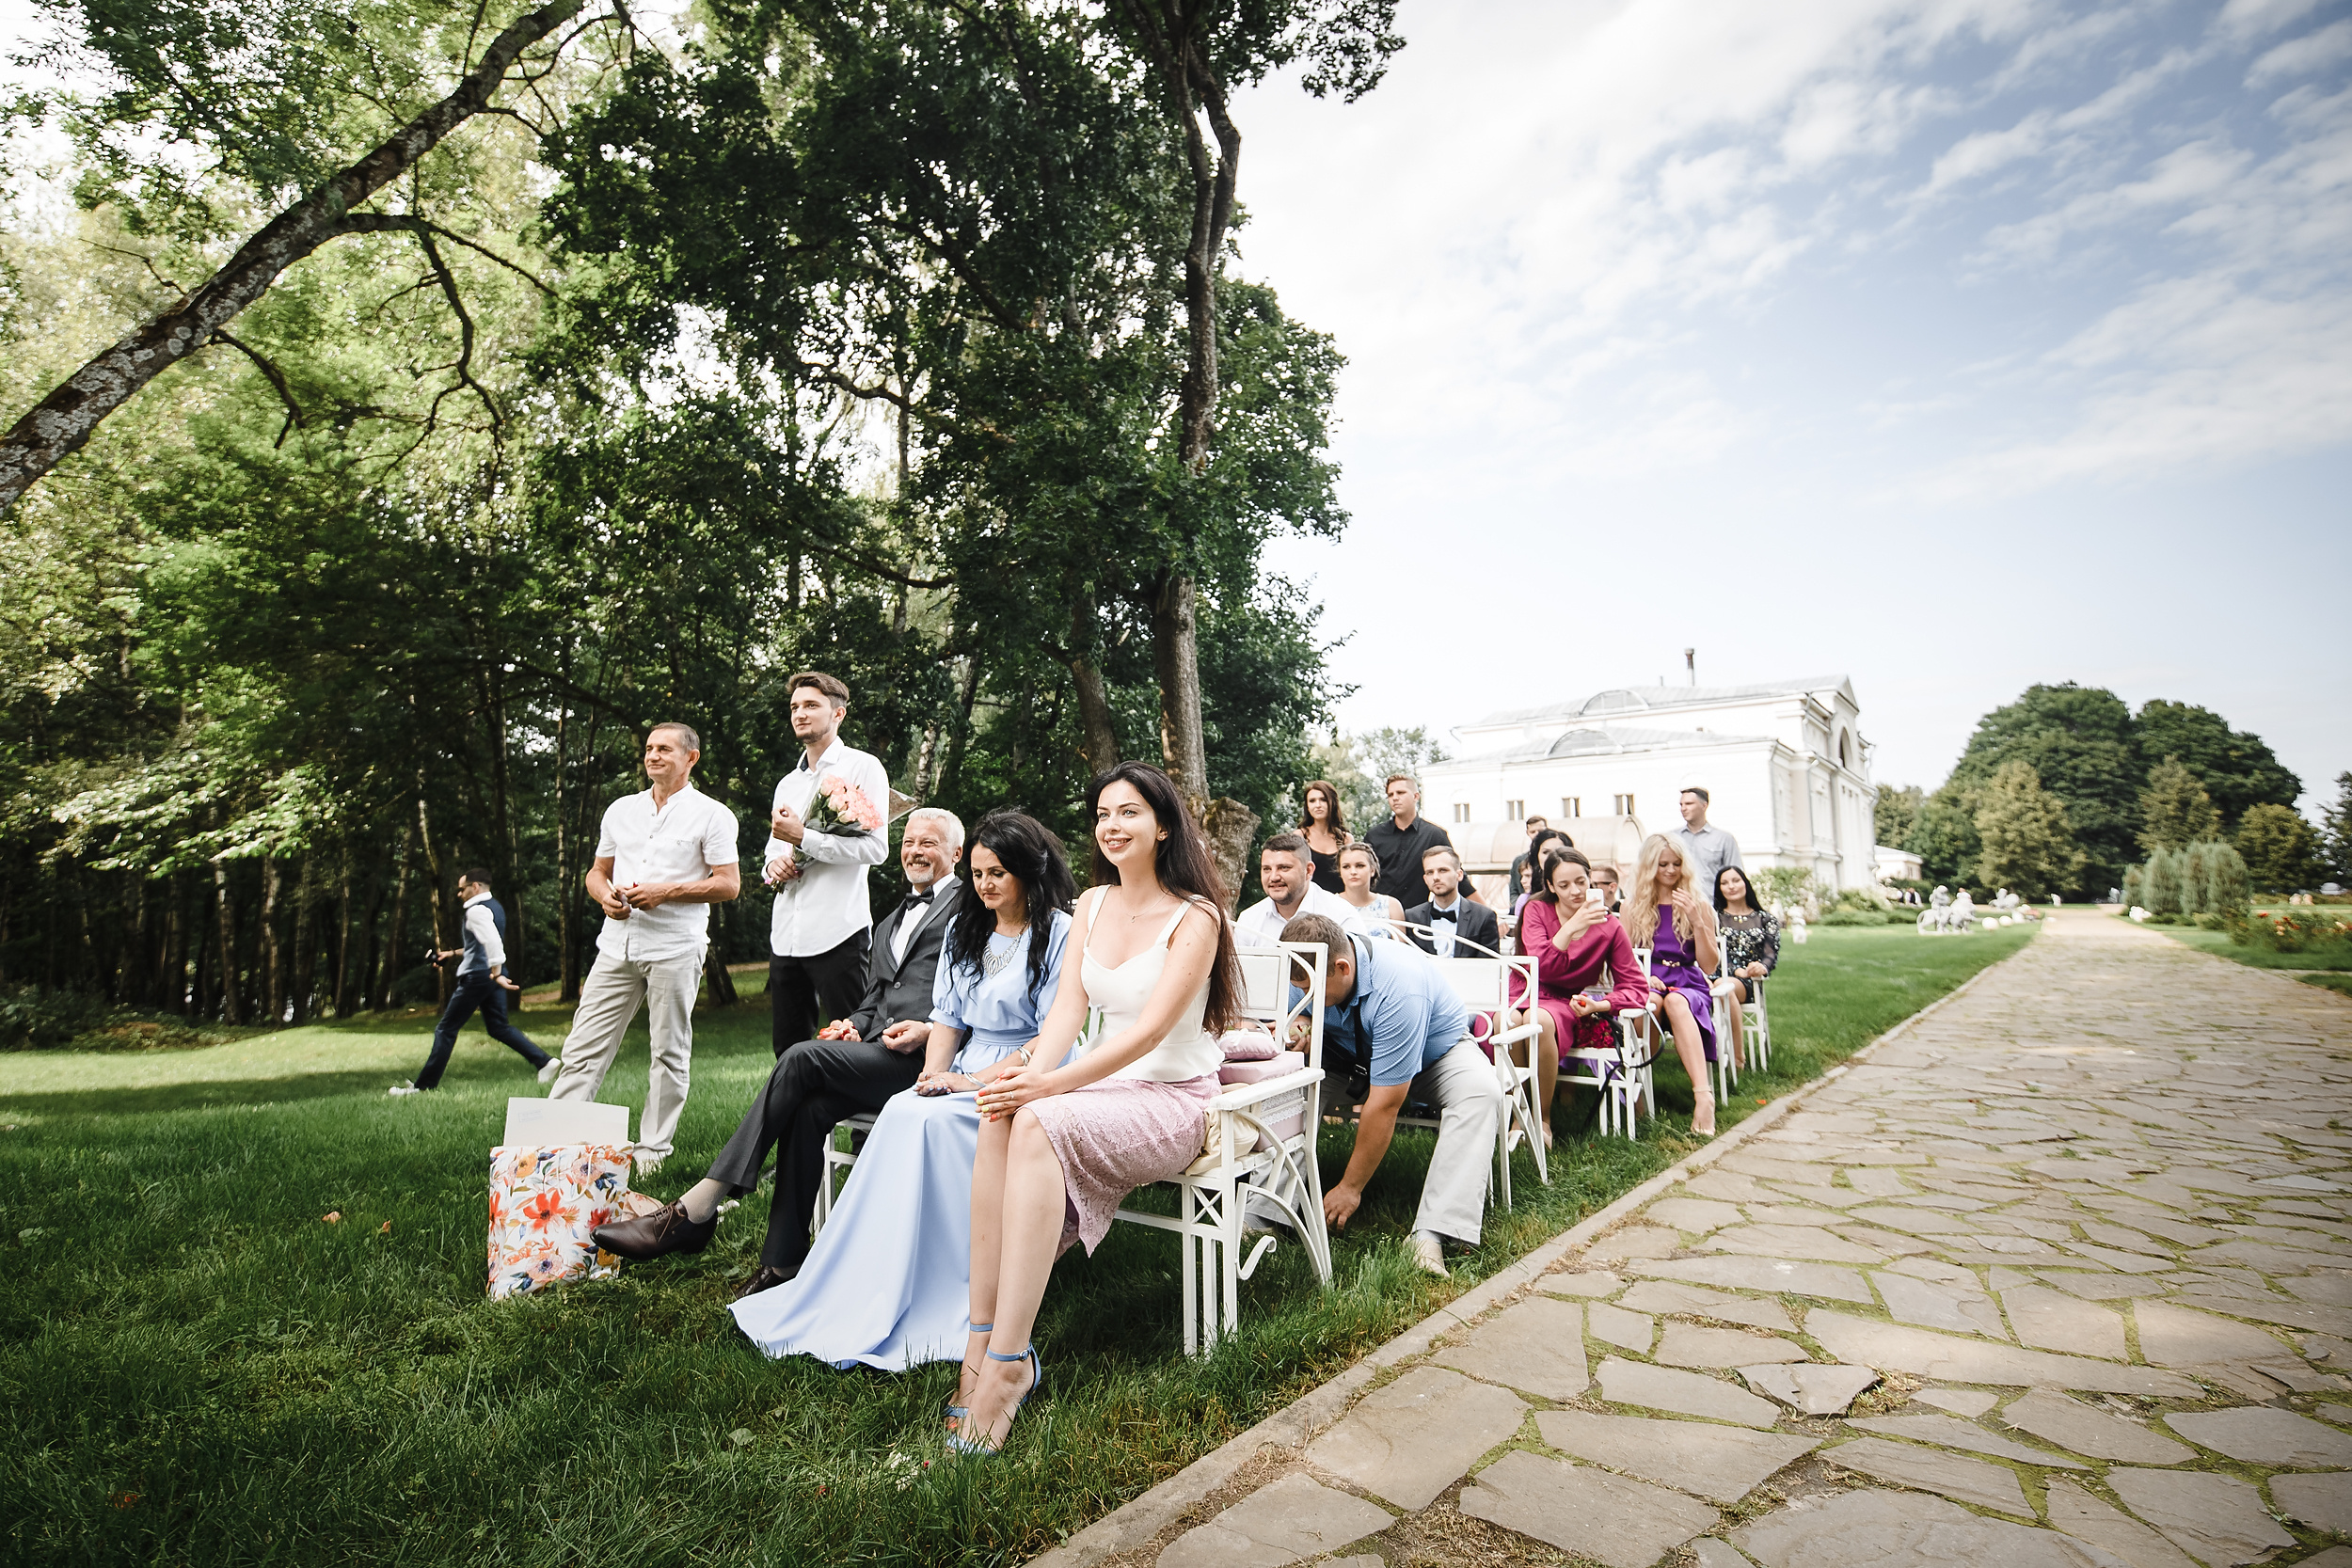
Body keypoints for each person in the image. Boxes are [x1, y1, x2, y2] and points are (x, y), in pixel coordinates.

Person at [951, 762, 1240, 1455]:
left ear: (1163, 823)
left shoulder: (1197, 916)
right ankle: (980, 1337)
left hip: (1173, 1099)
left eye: (1129, 812)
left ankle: (1010, 1366)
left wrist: (1047, 1089)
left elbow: (1145, 1034)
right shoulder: (1091, 903)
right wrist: (1028, 1074)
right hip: (1102, 1088)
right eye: (1104, 813)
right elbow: (1063, 1016)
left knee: (1040, 1117)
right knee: (1000, 1110)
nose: (1112, 825)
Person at [728, 812, 1076, 1373]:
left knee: (936, 1124)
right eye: (981, 874)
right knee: (905, 1110)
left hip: (1031, 1069)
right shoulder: (969, 929)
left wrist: (972, 1081)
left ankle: (950, 1282)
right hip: (963, 1061)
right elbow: (947, 1018)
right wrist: (930, 1077)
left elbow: (1052, 1033)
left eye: (998, 874)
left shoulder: (1059, 933)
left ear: (1028, 873)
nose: (985, 885)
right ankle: (872, 1276)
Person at [593, 808, 966, 1283]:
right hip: (876, 1054)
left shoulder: (971, 910)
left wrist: (930, 1030)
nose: (915, 851)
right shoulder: (891, 918)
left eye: (928, 843)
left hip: (932, 1063)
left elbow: (979, 999)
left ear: (955, 853)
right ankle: (782, 1261)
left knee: (799, 1056)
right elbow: (874, 999)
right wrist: (851, 1024)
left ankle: (698, 1206)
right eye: (909, 842)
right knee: (809, 1106)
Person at [547, 723, 741, 1174]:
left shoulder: (713, 815)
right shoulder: (621, 810)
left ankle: (653, 1150)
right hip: (616, 945)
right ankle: (555, 1142)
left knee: (668, 1051)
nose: (654, 756)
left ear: (690, 758)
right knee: (582, 1046)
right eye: (650, 749)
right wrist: (603, 896)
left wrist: (665, 892)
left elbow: (728, 885)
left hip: (675, 947)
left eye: (665, 749)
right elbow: (597, 871)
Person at [1279, 911, 1501, 1278]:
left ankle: (1431, 1234)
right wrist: (1300, 1023)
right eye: (1299, 989)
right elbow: (1290, 1016)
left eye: (1310, 990)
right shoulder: (1307, 966)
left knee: (1482, 1093)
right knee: (1287, 1093)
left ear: (1342, 967)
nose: (1304, 995)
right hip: (1344, 1055)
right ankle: (1264, 1214)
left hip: (1435, 1056)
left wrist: (1351, 1187)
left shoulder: (1400, 986)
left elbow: (1384, 1106)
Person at [763, 671, 893, 1056]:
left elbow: (876, 850)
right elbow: (773, 850)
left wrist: (805, 838)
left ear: (838, 714)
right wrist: (773, 867)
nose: (800, 714)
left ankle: (864, 1120)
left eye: (811, 706)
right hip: (786, 934)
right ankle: (799, 1119)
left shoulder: (863, 767)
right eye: (794, 707)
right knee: (787, 1048)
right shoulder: (787, 783)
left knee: (854, 1043)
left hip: (839, 932)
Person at [1510, 847, 1647, 1144]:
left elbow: (1636, 987)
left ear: (1590, 880)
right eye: (1564, 885)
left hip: (1561, 1000)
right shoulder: (1536, 909)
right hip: (1523, 990)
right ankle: (1514, 1118)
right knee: (1505, 1021)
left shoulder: (1609, 926)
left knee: (1539, 1020)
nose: (1575, 891)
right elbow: (1540, 965)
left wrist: (1602, 1004)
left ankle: (1541, 1119)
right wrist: (1574, 924)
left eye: (1581, 882)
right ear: (1549, 886)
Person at [389, 868, 553, 1096]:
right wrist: (453, 954)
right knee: (498, 1027)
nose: (459, 894)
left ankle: (423, 1088)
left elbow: (494, 943)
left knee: (445, 1029)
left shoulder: (476, 910)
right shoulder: (495, 907)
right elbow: (481, 944)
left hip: (479, 976)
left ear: (474, 887)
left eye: (461, 889)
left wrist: (495, 972)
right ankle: (544, 1061)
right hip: (489, 974)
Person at [1625, 833, 1721, 1138]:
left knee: (1677, 1002)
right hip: (1648, 980)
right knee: (1649, 1005)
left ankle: (1703, 1097)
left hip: (1687, 981)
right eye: (1662, 864)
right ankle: (1638, 1090)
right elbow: (1623, 959)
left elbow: (1710, 966)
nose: (1670, 870)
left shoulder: (1697, 904)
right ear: (1649, 866)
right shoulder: (1632, 907)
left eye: (1676, 864)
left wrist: (1697, 920)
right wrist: (1643, 976)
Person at [1236, 831, 1355, 946]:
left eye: (1284, 868)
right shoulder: (1248, 921)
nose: (1273, 877)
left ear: (1308, 870)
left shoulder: (1342, 916)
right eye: (1267, 869)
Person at [1714, 863, 1780, 1066]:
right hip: (1715, 975)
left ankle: (1737, 1057)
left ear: (1745, 884)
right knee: (1720, 985)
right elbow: (1712, 954)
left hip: (1749, 983)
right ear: (1719, 889)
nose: (1731, 886)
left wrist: (1762, 967)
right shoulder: (1714, 919)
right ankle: (1732, 1056)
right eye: (1725, 883)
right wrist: (1735, 970)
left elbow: (1771, 953)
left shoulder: (1765, 919)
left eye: (1736, 880)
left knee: (1724, 987)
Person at [1363, 775, 1460, 911]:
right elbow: (1363, 878)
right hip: (1379, 915)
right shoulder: (1374, 836)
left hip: (1418, 917)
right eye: (1390, 795)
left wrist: (1490, 917)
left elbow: (1458, 878)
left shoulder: (1434, 835)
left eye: (1401, 793)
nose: (1395, 798)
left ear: (1416, 796)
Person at [1405, 847, 1501, 958]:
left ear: (1459, 875)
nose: (1435, 877)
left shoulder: (1483, 916)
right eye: (1430, 872)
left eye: (1442, 870)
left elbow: (1489, 966)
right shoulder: (1412, 917)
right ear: (1425, 879)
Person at [1673, 787, 1743, 903]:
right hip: (1679, 906)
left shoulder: (1724, 839)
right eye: (1681, 805)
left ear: (1704, 806)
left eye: (1689, 804)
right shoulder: (1672, 838)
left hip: (1713, 907)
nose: (1683, 808)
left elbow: (1736, 877)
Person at [1334, 843, 1408, 941]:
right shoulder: (1330, 903)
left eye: (1360, 866)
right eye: (1346, 867)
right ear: (1340, 871)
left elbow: (1401, 949)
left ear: (1372, 870)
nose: (1353, 872)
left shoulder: (1391, 905)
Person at [1298, 780, 1350, 893]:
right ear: (1307, 806)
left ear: (1332, 802)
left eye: (1323, 800)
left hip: (1339, 903)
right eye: (1312, 801)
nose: (1318, 805)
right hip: (1310, 903)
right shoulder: (1300, 836)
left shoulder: (1346, 839)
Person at [1506, 814, 1551, 895]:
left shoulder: (1554, 858)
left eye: (1540, 831)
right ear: (1527, 833)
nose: (1537, 834)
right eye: (1532, 832)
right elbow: (1514, 890)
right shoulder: (1519, 861)